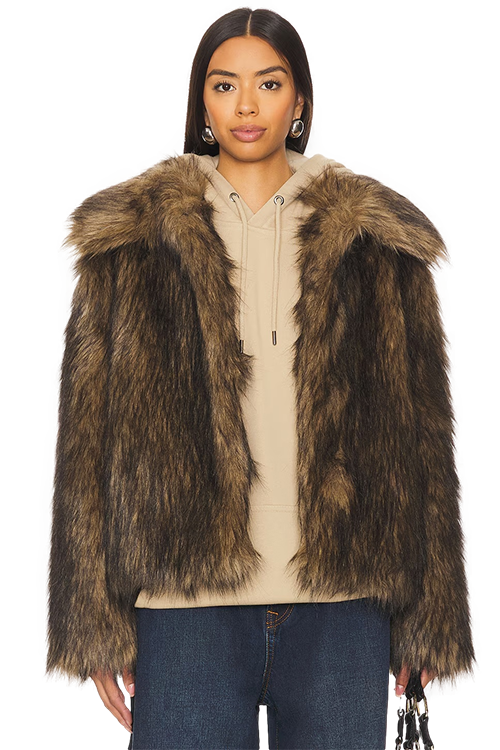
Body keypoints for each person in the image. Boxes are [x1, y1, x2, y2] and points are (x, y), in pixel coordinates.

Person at [42, 7, 478, 749]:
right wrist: (93, 622)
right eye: (225, 85)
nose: (246, 105)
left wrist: (429, 613)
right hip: (183, 604)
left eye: (268, 83)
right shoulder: (132, 240)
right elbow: (86, 434)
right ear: (203, 104)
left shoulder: (376, 240)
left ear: (298, 100)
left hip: (346, 602)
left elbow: (426, 433)